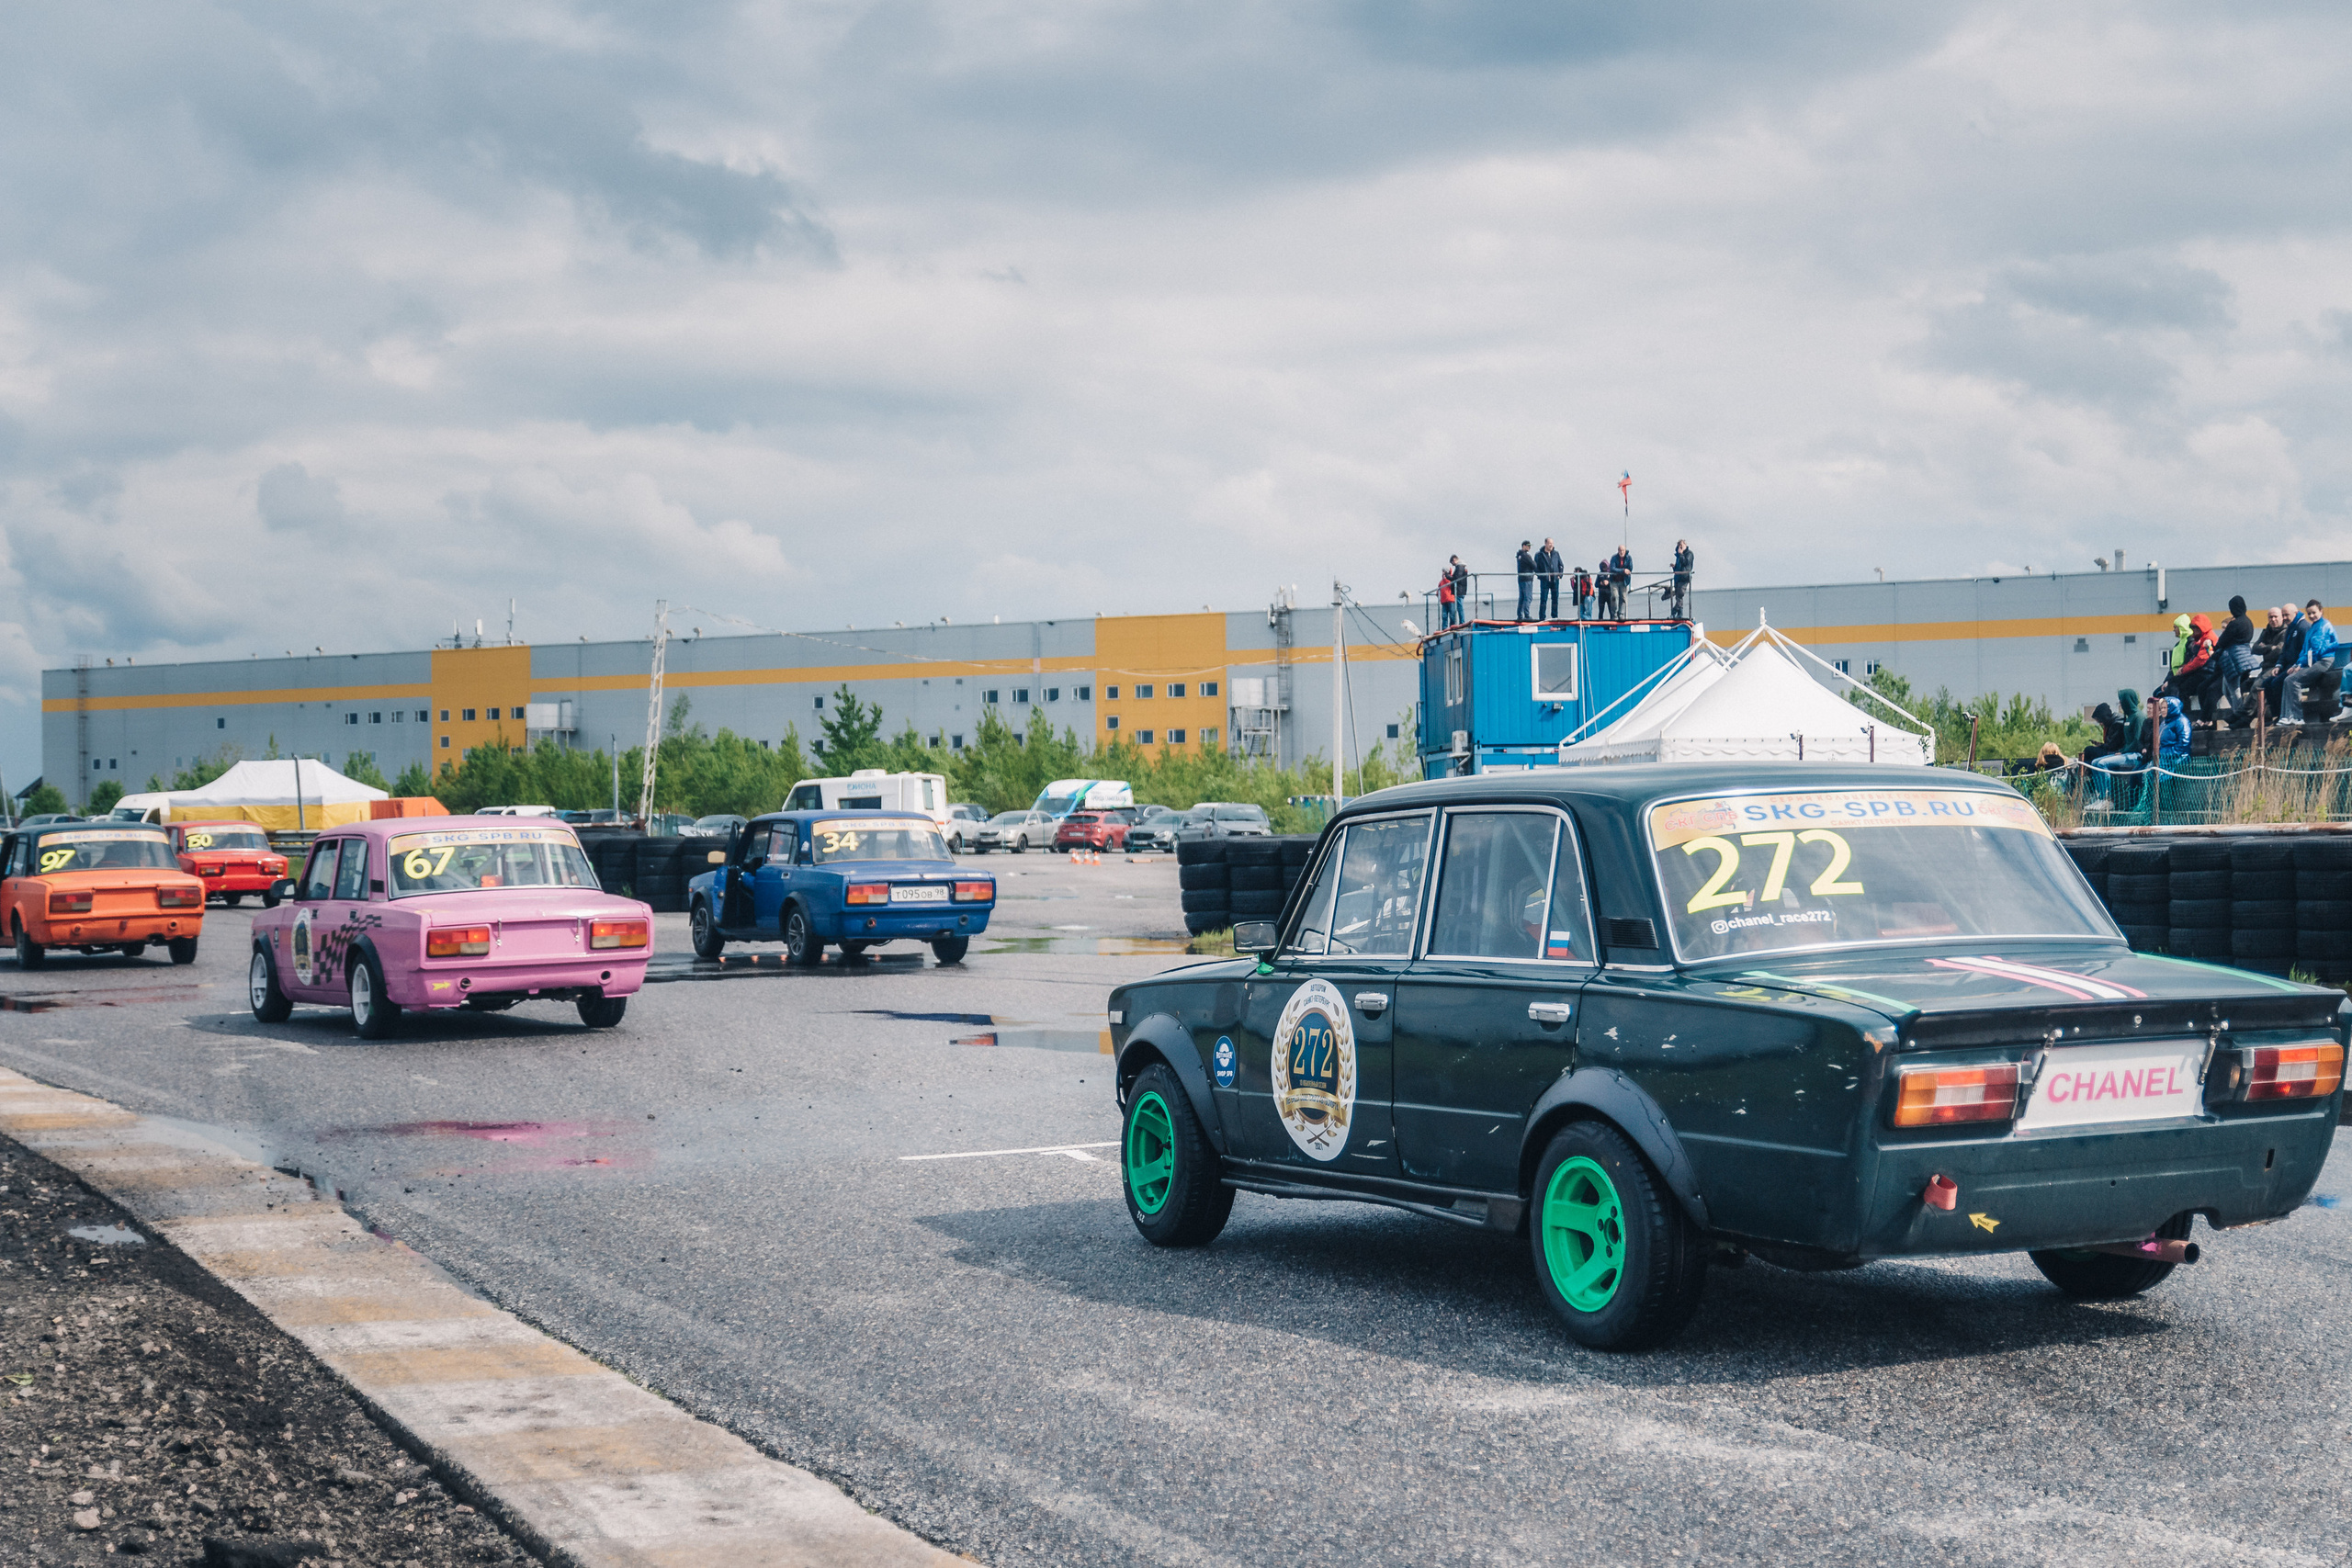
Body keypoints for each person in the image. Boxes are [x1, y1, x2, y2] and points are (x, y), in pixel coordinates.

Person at [2283, 600, 2341, 724]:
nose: (2311, 616)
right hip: (2315, 661)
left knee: (2292, 680)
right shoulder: (2313, 627)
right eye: (2309, 614)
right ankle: (2292, 715)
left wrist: (2301, 665)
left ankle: (2298, 716)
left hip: (2324, 661)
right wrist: (2297, 664)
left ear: (2321, 611)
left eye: (2314, 612)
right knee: (2289, 679)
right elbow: (2305, 650)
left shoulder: (2323, 626)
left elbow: (2316, 650)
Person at [1536, 537, 1564, 619]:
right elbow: (1536, 567)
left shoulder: (1556, 554)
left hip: (1555, 580)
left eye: (1552, 543)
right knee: (1543, 599)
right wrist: (1541, 576)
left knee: (1555, 599)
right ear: (1545, 543)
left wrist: (1560, 575)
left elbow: (1561, 565)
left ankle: (1554, 616)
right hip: (1545, 580)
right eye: (1549, 543)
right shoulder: (1539, 555)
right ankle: (1542, 617)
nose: (1551, 545)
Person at [1670, 539, 1695, 619]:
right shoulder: (1678, 556)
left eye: (1681, 546)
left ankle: (1674, 610)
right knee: (1678, 596)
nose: (1680, 548)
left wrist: (1681, 554)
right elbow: (1679, 567)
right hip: (1678, 577)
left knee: (1680, 593)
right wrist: (1674, 568)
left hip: (1684, 577)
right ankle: (1679, 613)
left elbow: (1686, 562)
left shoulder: (1689, 554)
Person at [1610, 546, 1634, 620]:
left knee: (1623, 598)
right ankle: (1615, 615)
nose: (1621, 552)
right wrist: (1623, 571)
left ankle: (1621, 614)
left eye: (1623, 550)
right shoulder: (1614, 558)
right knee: (1615, 596)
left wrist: (1626, 570)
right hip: (1614, 581)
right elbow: (1612, 568)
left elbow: (1630, 568)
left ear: (1625, 550)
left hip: (1624, 581)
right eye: (1620, 550)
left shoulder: (1628, 558)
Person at [1515, 540, 1536, 622]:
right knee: (1528, 597)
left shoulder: (1519, 556)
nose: (1529, 547)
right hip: (1527, 579)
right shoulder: (1525, 556)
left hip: (1521, 579)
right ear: (1523, 546)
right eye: (1528, 546)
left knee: (1522, 597)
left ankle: (1520, 615)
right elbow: (1534, 565)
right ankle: (1526, 615)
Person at [1437, 564, 1460, 628]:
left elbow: (1451, 586)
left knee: (1452, 615)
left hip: (1451, 600)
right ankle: (1444, 628)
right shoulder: (1441, 582)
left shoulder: (1450, 580)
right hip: (1444, 601)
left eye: (1444, 571)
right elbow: (1438, 589)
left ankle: (1452, 627)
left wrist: (1446, 578)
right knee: (1444, 616)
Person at [1451, 557, 1471, 622]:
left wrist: (1449, 577)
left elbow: (1457, 578)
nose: (1452, 565)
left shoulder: (1459, 567)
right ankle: (1461, 621)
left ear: (1454, 560)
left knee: (1460, 607)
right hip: (1461, 589)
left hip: (1459, 590)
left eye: (1452, 563)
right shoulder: (1462, 567)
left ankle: (1462, 622)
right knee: (1459, 607)